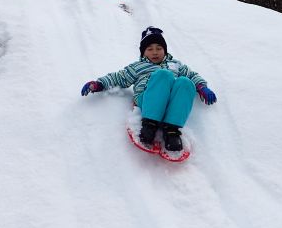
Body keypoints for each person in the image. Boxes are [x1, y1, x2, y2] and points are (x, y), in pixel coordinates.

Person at [80, 27, 217, 151]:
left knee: (186, 82)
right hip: (147, 100)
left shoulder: (176, 64)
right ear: (143, 52)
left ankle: (171, 130)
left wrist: (201, 87)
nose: (155, 52)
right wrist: (99, 84)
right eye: (150, 49)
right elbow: (119, 77)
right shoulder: (138, 67)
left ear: (165, 50)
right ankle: (149, 124)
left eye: (159, 48)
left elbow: (192, 75)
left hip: (170, 104)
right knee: (163, 75)